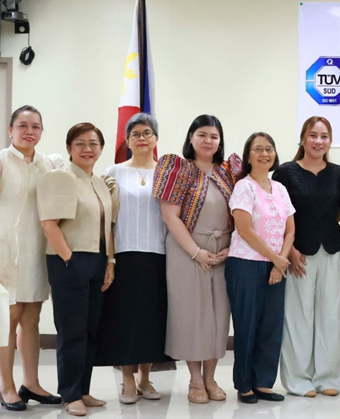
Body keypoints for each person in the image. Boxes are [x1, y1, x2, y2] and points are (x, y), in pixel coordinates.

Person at [153, 115, 242, 404]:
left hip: (223, 252)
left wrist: (232, 246)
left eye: (214, 136)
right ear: (191, 137)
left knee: (219, 315)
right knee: (191, 315)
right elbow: (170, 217)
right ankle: (194, 379)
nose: (208, 141)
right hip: (186, 250)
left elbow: (243, 212)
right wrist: (195, 252)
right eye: (202, 134)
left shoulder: (229, 172)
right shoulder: (178, 169)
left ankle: (211, 378)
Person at [0, 106, 64, 411]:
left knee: (31, 318)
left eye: (36, 126)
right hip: (3, 252)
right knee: (8, 319)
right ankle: (6, 386)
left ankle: (31, 382)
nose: (29, 131)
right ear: (10, 129)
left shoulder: (47, 164)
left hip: (36, 250)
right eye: (23, 125)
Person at [37, 123, 118, 416]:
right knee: (72, 330)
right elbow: (49, 224)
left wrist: (109, 261)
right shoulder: (61, 177)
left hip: (97, 260)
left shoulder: (98, 181)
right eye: (81, 143)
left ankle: (83, 389)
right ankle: (69, 394)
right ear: (69, 148)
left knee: (91, 328)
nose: (88, 149)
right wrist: (69, 259)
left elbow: (107, 226)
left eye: (94, 144)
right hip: (69, 260)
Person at [95, 113, 170, 404]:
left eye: (148, 132)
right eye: (136, 133)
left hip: (158, 254)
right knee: (125, 316)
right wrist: (110, 258)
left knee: (152, 317)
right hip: (124, 254)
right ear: (127, 140)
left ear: (156, 139)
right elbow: (107, 221)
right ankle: (127, 378)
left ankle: (146, 378)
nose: (142, 137)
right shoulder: (113, 172)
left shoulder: (166, 172)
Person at [272, 116, 340, 397]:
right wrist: (288, 250)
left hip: (330, 251)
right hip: (297, 255)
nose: (318, 141)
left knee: (330, 315)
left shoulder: (339, 172)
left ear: (330, 141)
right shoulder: (285, 172)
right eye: (313, 135)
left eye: (324, 136)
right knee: (298, 316)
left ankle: (328, 378)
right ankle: (298, 380)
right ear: (303, 138)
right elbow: (277, 215)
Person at [227, 132, 293, 404]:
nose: (264, 154)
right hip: (246, 265)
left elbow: (290, 231)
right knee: (247, 325)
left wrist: (281, 260)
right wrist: (275, 258)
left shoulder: (280, 188)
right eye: (258, 149)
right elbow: (244, 229)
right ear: (248, 155)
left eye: (269, 149)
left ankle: (264, 383)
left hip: (276, 265)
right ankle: (245, 385)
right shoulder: (244, 186)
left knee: (271, 327)